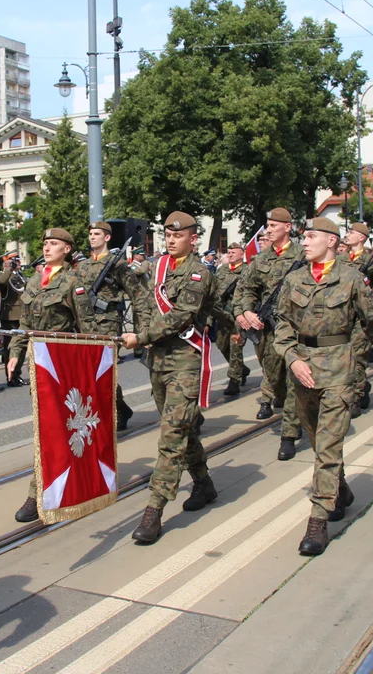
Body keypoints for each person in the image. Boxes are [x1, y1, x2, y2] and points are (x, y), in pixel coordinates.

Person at [273, 217, 373, 555]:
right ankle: (341, 490)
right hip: (302, 371)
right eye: (304, 237)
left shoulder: (351, 280)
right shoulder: (293, 279)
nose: (305, 242)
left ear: (332, 242)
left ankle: (318, 521)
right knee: (320, 442)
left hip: (338, 371)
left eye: (313, 237)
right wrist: (292, 358)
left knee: (329, 447)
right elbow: (282, 326)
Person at [121, 212, 227, 543]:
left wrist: (141, 337)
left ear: (193, 238)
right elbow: (140, 298)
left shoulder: (198, 274)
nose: (171, 239)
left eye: (178, 235)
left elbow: (181, 317)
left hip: (185, 360)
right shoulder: (157, 267)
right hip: (158, 360)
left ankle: (155, 509)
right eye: (167, 234)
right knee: (183, 429)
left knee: (171, 435)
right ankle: (204, 483)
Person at [6, 228, 97, 523]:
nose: (47, 248)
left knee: (61, 428)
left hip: (64, 365)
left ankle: (38, 494)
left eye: (54, 244)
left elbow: (87, 329)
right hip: (40, 365)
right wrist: (14, 354)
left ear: (67, 249)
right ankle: (45, 489)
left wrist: (92, 367)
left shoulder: (74, 283)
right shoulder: (33, 282)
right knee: (46, 428)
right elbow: (24, 324)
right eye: (45, 243)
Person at [233, 207, 304, 460]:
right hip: (268, 332)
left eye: (274, 225)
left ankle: (289, 434)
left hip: (296, 331)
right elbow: (244, 290)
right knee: (274, 379)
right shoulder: (261, 259)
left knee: (294, 380)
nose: (268, 229)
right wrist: (245, 312)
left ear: (288, 227)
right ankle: (296, 416)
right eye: (267, 225)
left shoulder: (303, 256)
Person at [74, 221, 148, 430]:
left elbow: (138, 295)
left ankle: (112, 412)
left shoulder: (117, 264)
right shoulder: (83, 266)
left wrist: (143, 328)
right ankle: (120, 407)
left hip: (108, 322)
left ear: (107, 237)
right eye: (90, 234)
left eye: (97, 234)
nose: (92, 237)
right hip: (86, 324)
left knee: (105, 370)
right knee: (90, 372)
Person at [337, 222, 373, 418]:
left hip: (362, 317)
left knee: (357, 357)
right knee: (343, 359)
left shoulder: (372, 261)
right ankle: (356, 389)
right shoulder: (340, 260)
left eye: (352, 232)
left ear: (361, 237)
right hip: (343, 316)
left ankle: (356, 397)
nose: (348, 235)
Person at [213, 243, 248, 396]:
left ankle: (234, 381)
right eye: (229, 252)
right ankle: (242, 369)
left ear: (242, 254)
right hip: (222, 316)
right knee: (222, 346)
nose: (231, 254)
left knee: (235, 346)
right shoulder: (221, 270)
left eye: (234, 252)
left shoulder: (247, 271)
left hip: (238, 316)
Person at [0, 251, 26, 387]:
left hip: (21, 315)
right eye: (15, 262)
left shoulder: (20, 277)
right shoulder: (3, 275)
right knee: (11, 347)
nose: (18, 264)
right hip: (10, 316)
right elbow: (1, 282)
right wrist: (9, 269)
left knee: (21, 347)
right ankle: (10, 375)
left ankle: (17, 373)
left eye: (18, 261)